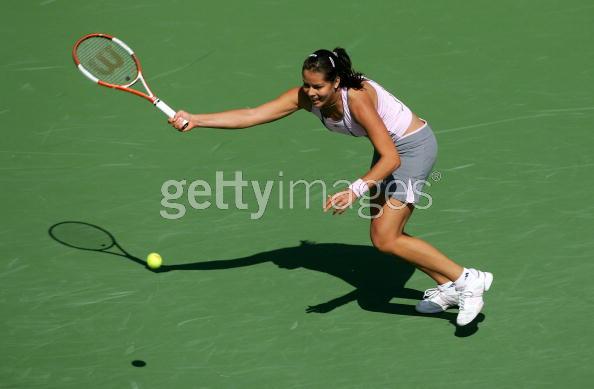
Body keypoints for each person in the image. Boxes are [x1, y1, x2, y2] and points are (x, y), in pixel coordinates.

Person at [168, 48, 493, 326]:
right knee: (387, 235)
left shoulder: (358, 99)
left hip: (410, 149)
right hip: (388, 152)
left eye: (318, 86)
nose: (311, 93)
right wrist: (198, 119)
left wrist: (354, 189)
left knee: (384, 237)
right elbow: (253, 114)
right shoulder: (307, 96)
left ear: (336, 81)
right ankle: (447, 285)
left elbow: (392, 157)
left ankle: (466, 279)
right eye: (307, 85)